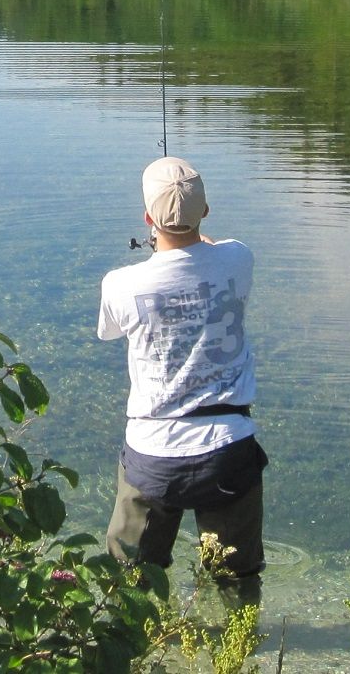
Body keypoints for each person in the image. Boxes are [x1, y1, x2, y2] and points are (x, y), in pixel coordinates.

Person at [100, 156, 265, 603]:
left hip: (152, 457)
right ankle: (239, 653)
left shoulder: (120, 283)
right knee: (238, 579)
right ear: (206, 211)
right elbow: (217, 252)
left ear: (148, 218)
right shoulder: (238, 259)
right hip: (228, 451)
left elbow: (110, 330)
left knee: (128, 580)